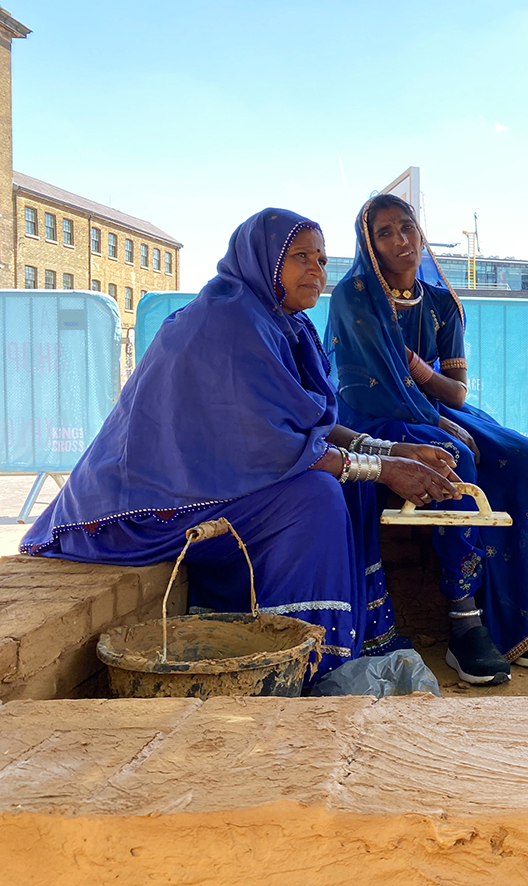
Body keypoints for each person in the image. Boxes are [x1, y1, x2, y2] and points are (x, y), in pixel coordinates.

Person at [21, 208, 461, 682]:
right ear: (265, 261)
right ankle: (307, 661)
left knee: (347, 486)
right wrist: (383, 468)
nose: (317, 270)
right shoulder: (230, 322)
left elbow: (306, 422)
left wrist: (388, 451)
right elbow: (270, 444)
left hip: (203, 486)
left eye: (321, 258)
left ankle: (357, 640)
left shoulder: (277, 322)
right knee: (315, 497)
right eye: (301, 258)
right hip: (145, 507)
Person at [326, 194, 528, 686]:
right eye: (385, 232)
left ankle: (514, 624)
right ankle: (463, 622)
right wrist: (440, 418)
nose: (401, 240)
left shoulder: (440, 304)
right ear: (368, 245)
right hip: (370, 416)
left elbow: (456, 390)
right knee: (453, 457)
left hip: (432, 408)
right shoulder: (355, 295)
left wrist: (421, 376)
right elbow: (372, 387)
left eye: (407, 227)